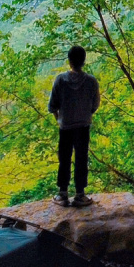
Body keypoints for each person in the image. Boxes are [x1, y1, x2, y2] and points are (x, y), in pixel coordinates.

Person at [48, 45, 100, 207]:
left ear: (69, 61)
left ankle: (62, 194)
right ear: (84, 61)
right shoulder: (91, 81)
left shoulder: (60, 80)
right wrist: (85, 113)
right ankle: (80, 195)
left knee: (64, 159)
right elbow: (95, 104)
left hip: (65, 127)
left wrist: (59, 119)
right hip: (83, 126)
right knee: (81, 159)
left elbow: (52, 106)